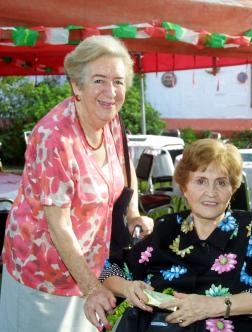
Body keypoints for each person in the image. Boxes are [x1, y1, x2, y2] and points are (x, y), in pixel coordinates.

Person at [0, 35, 153, 332]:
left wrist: (133, 211)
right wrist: (93, 288)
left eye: (118, 81)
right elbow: (59, 225)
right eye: (99, 80)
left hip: (90, 266)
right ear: (76, 85)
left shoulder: (112, 120)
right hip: (42, 275)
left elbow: (124, 164)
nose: (111, 92)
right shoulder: (54, 137)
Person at [85, 138, 252, 331]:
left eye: (221, 182)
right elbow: (110, 272)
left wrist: (213, 306)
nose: (211, 192)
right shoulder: (167, 228)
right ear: (184, 187)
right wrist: (129, 288)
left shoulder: (251, 230)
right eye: (201, 181)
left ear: (233, 189)